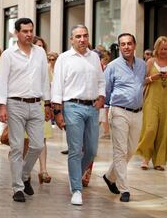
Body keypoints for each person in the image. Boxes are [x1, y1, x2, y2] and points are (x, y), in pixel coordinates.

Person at [0, 18, 52, 202]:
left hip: (36, 104)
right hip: (15, 104)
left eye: (31, 31)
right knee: (17, 147)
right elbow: (2, 81)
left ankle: (25, 174)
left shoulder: (40, 53)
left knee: (37, 145)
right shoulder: (8, 54)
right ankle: (18, 188)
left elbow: (45, 80)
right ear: (17, 33)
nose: (29, 34)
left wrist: (48, 103)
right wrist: (2, 106)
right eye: (25, 31)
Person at [51, 25, 105, 205]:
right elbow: (57, 86)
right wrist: (57, 112)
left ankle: (74, 175)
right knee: (75, 149)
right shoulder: (64, 59)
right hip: (72, 107)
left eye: (85, 36)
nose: (82, 39)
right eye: (78, 36)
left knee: (91, 150)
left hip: (92, 108)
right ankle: (76, 189)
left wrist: (102, 96)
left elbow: (101, 80)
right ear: (71, 39)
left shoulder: (94, 57)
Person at [102, 33, 146, 202]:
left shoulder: (142, 65)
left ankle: (109, 176)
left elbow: (142, 83)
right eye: (123, 44)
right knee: (120, 151)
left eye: (129, 43)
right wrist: (106, 114)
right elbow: (106, 91)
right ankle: (124, 189)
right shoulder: (112, 66)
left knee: (131, 149)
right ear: (119, 47)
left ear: (134, 45)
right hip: (119, 110)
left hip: (138, 112)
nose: (126, 47)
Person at [136, 36, 167, 171]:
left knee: (163, 131)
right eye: (162, 49)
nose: (164, 51)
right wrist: (151, 78)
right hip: (151, 100)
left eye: (166, 49)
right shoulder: (150, 62)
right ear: (157, 49)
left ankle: (159, 161)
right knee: (150, 128)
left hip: (165, 100)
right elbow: (140, 81)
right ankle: (145, 158)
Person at [32, 36, 53, 184]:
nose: (40, 49)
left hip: (42, 103)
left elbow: (50, 86)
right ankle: (24, 170)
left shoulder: (46, 67)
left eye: (42, 46)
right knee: (26, 142)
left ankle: (43, 170)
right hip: (27, 104)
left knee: (42, 139)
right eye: (37, 46)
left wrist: (49, 105)